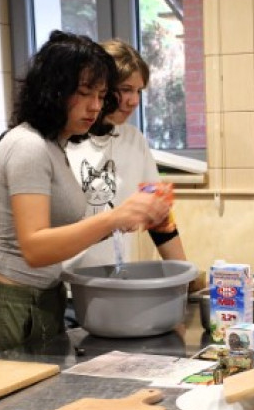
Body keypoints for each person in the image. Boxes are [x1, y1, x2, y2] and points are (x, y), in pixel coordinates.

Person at [0, 31, 170, 353]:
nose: (95, 106)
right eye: (85, 93)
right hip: (6, 298)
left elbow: (60, 231)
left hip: (40, 297)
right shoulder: (28, 146)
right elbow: (35, 248)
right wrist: (114, 218)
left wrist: (125, 218)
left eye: (101, 96)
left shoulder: (55, 145)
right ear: (53, 90)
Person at [65, 39, 187, 268]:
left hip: (115, 280)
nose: (134, 101)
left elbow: (160, 219)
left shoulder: (134, 139)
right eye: (125, 90)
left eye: (138, 91)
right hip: (67, 283)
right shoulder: (64, 141)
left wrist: (185, 274)